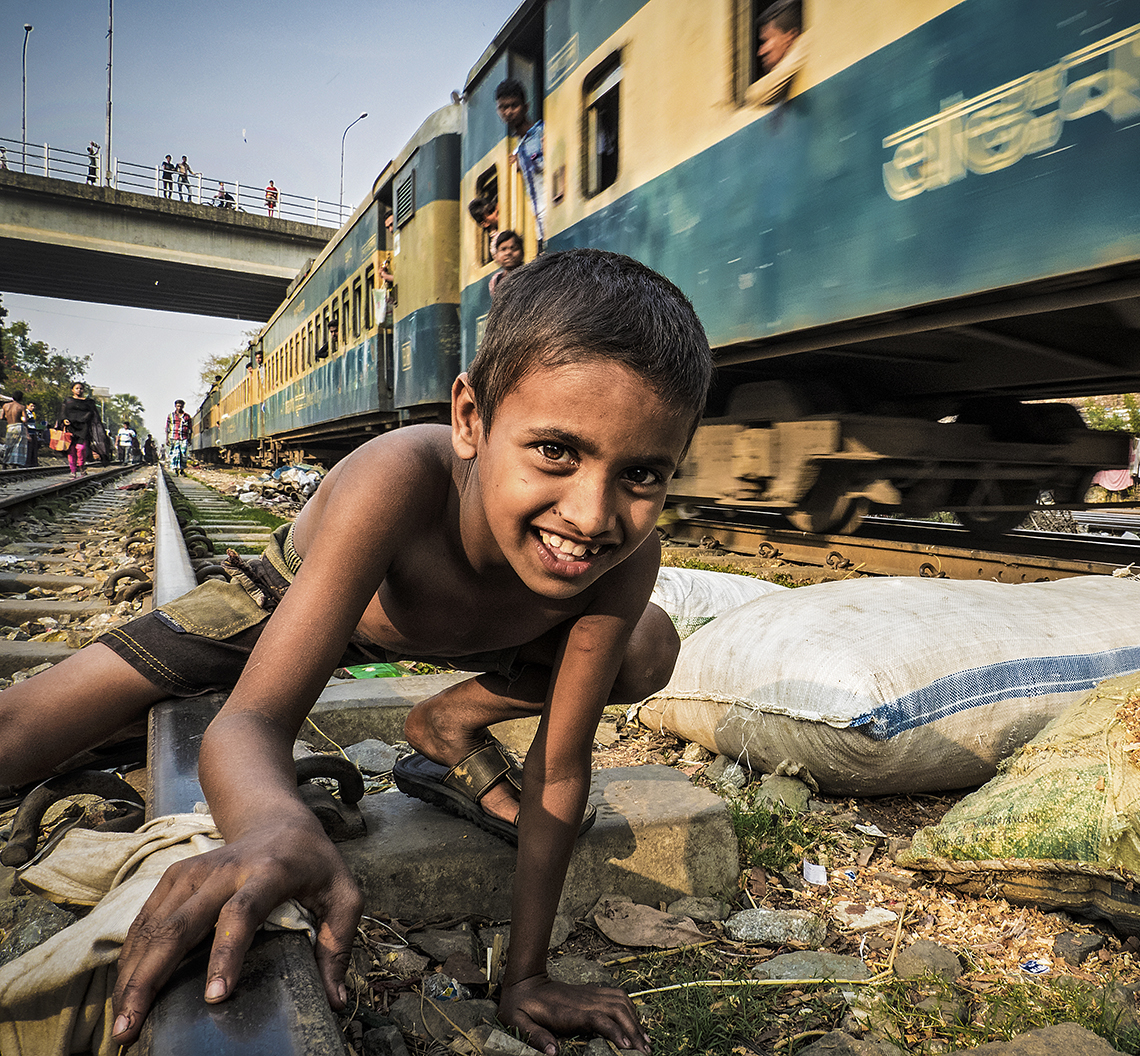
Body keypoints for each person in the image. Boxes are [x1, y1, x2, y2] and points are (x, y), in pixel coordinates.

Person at [0, 249, 708, 1055]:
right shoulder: (398, 476)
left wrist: (527, 977)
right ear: (470, 420)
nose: (591, 514)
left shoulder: (617, 558)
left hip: (490, 634)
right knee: (23, 732)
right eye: (555, 451)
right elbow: (252, 721)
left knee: (647, 646)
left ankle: (447, 724)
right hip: (292, 606)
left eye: (641, 473)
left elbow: (560, 765)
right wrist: (275, 824)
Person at [496, 79, 546, 250]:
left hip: (552, 216)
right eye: (503, 107)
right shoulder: (520, 147)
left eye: (514, 106)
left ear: (526, 107)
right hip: (540, 225)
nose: (508, 112)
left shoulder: (542, 132)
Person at [746, 0, 807, 106]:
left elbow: (757, 94)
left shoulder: (808, 44)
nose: (760, 52)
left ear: (791, 36)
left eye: (765, 41)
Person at [62, 382, 100, 477]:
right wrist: (64, 420)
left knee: (81, 448)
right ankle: (73, 470)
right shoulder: (68, 401)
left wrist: (84, 419)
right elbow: (62, 413)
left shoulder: (89, 402)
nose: (79, 390)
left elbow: (92, 414)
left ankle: (81, 466)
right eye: (77, 388)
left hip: (83, 427)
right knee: (71, 450)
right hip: (71, 427)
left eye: (81, 388)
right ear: (72, 390)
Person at [489, 229, 526, 297]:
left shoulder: (530, 275)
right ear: (496, 255)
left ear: (522, 252)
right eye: (503, 249)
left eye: (514, 248)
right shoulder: (495, 281)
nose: (508, 253)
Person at [166, 399, 193, 474]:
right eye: (178, 406)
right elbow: (167, 428)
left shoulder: (187, 416)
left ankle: (182, 469)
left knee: (183, 453)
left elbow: (190, 429)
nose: (179, 408)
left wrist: (190, 439)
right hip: (173, 437)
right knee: (174, 453)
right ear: (175, 406)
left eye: (181, 406)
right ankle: (175, 469)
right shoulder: (171, 416)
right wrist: (167, 439)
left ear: (183, 406)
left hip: (184, 437)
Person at [1, 394, 27, 467]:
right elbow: (24, 420)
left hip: (10, 427)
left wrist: (8, 418)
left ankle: (5, 462)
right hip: (18, 427)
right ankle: (15, 463)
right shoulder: (21, 407)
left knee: (9, 445)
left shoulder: (5, 406)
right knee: (18, 446)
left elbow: (1, 417)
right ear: (21, 398)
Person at [23, 401, 42, 467]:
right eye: (31, 406)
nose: (33, 408)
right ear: (27, 406)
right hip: (29, 432)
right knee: (29, 449)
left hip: (33, 432)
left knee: (33, 448)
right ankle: (27, 463)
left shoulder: (32, 414)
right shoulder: (25, 413)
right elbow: (25, 423)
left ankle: (33, 463)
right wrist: (27, 434)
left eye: (34, 406)